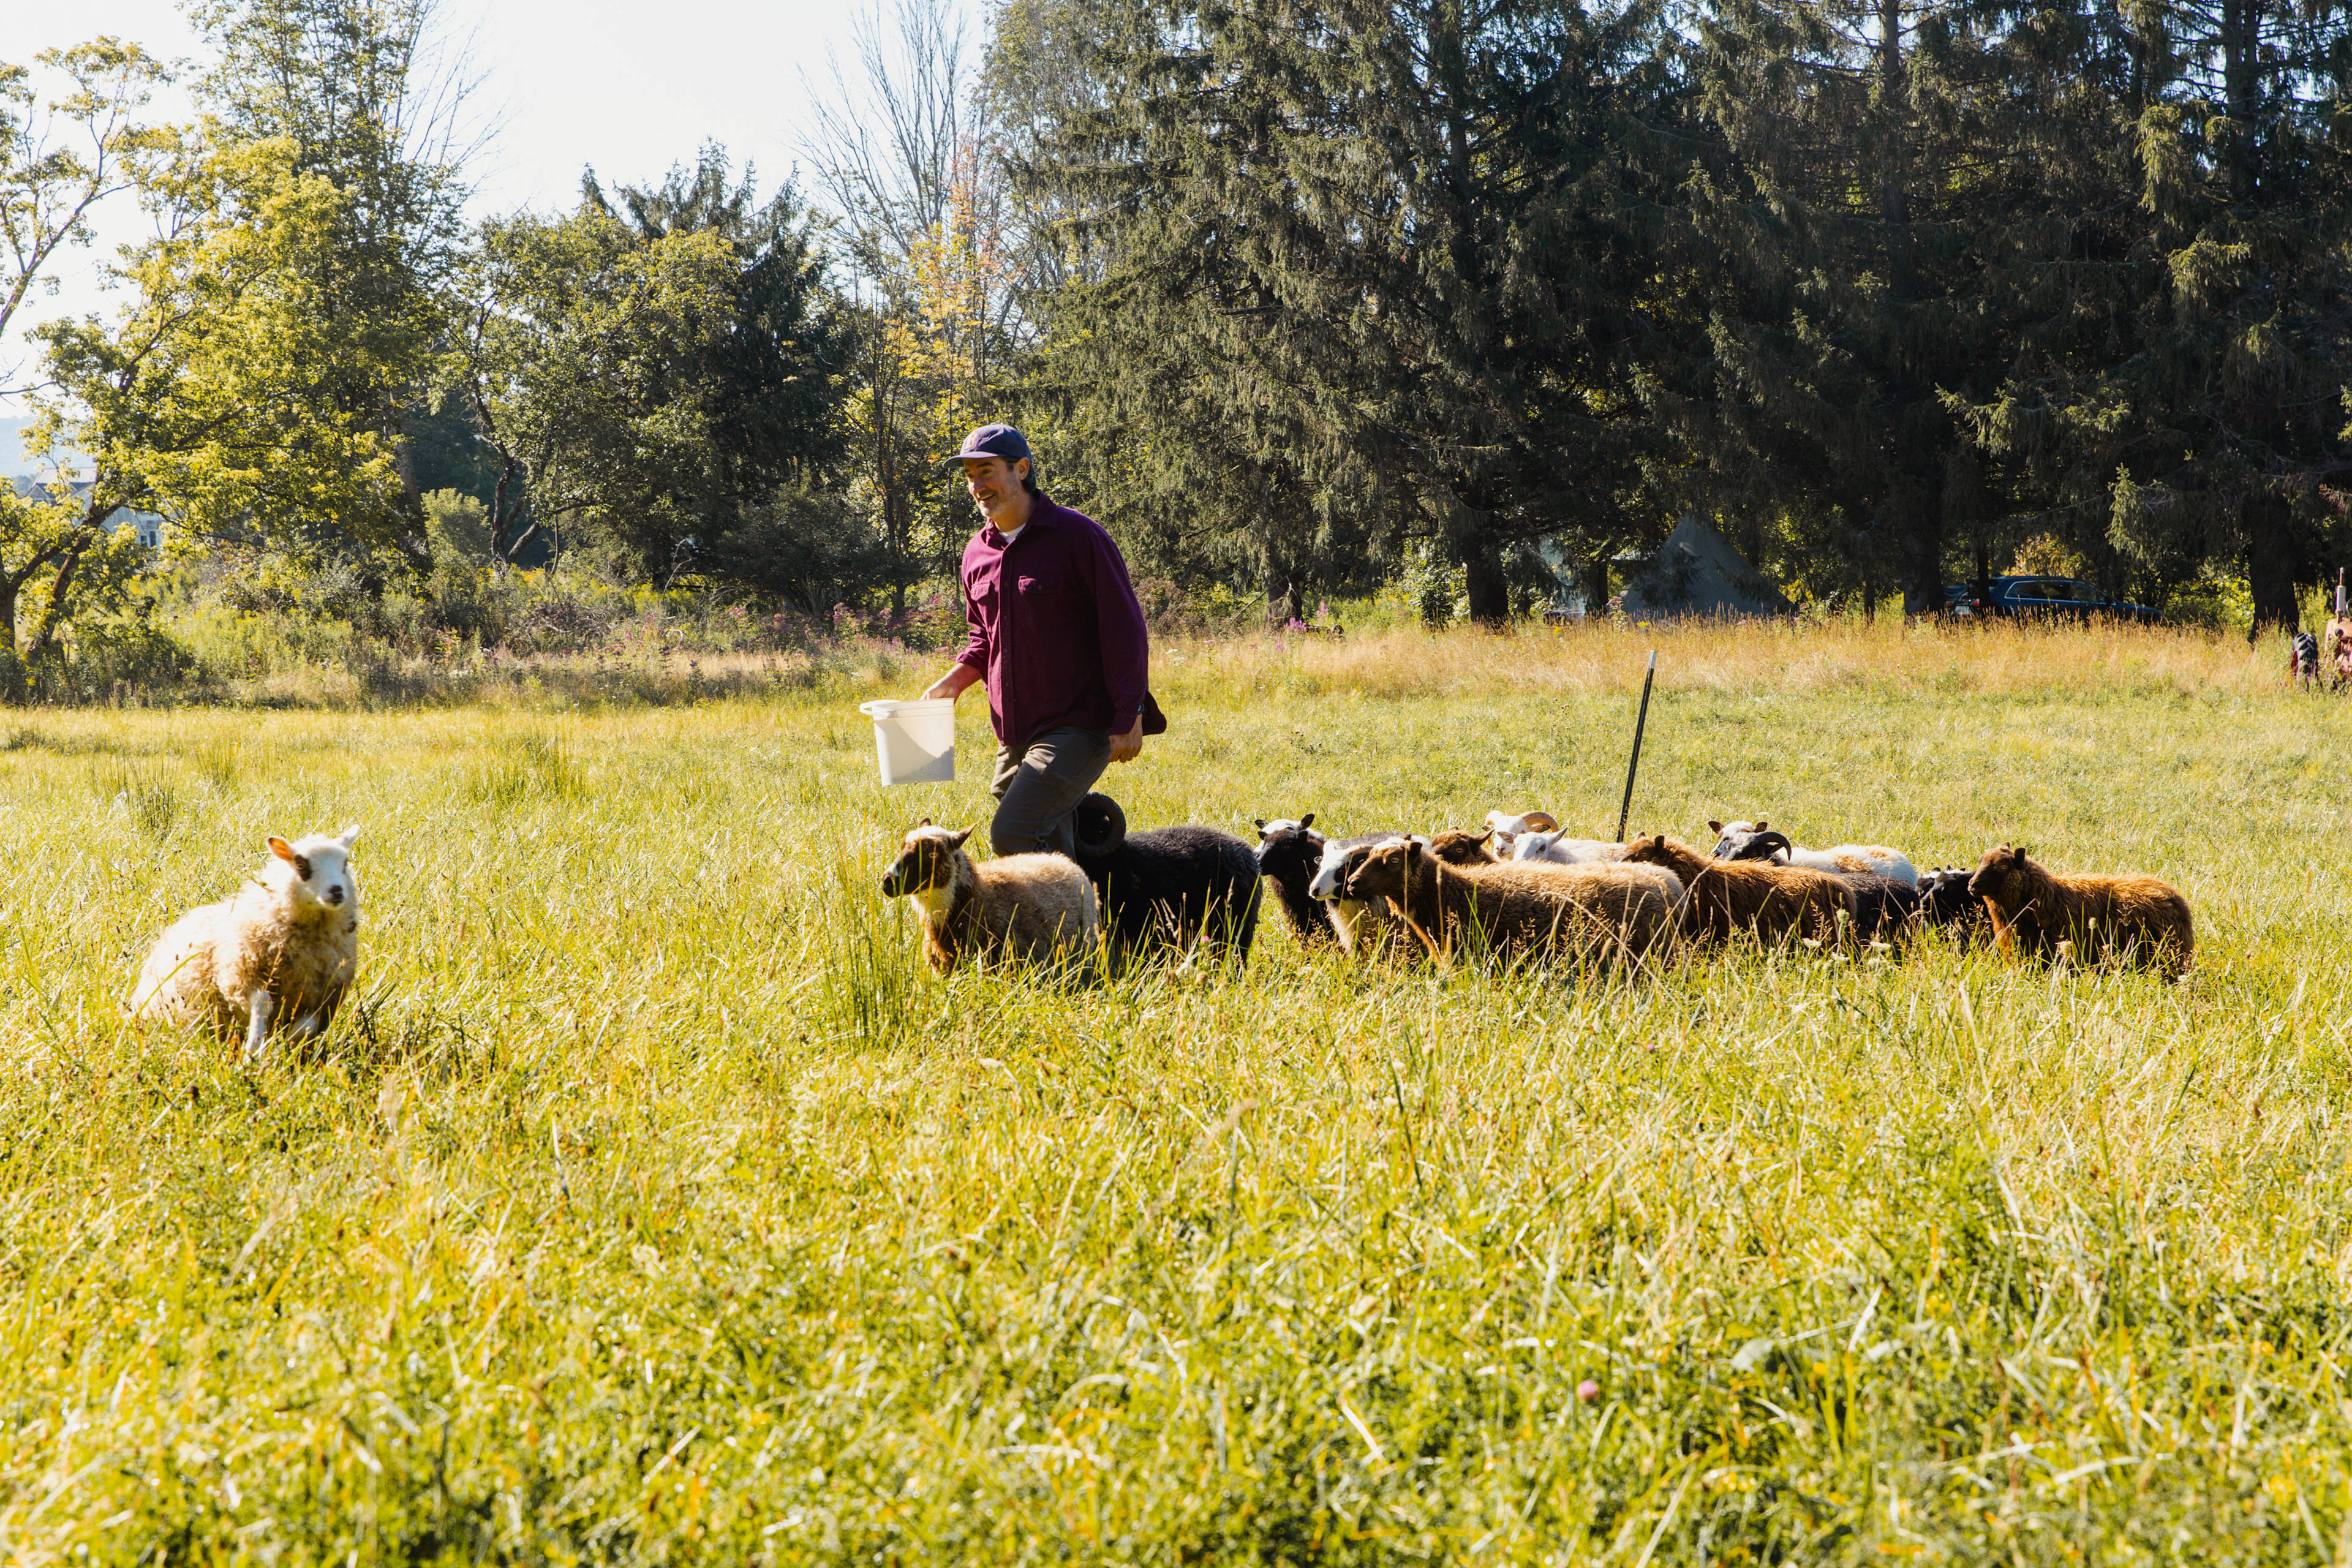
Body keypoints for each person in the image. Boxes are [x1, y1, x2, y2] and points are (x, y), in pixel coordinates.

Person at [916, 424, 1159, 856]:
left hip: (1079, 721)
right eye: (970, 476)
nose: (977, 485)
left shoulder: (1078, 536)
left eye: (987, 471)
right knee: (1046, 838)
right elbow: (983, 638)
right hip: (1015, 728)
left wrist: (1130, 712)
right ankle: (1087, 897)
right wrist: (950, 685)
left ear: (1022, 469)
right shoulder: (976, 554)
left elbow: (1123, 628)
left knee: (1015, 833)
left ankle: (1065, 898)